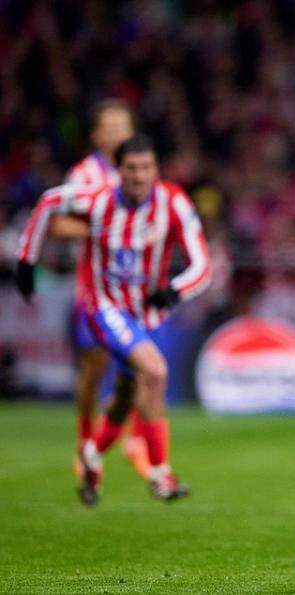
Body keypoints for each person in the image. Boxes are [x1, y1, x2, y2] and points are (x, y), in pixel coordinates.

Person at [16, 134, 211, 505]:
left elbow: (202, 266)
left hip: (145, 314)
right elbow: (48, 202)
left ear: (156, 169)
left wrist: (175, 290)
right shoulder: (98, 199)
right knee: (155, 371)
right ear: (118, 170)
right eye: (131, 168)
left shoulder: (173, 202)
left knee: (125, 398)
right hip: (103, 307)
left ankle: (91, 453)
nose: (139, 176)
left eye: (146, 168)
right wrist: (26, 261)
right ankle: (160, 474)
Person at [55, 99, 153, 481]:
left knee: (143, 365)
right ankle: (85, 441)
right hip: (95, 289)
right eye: (109, 127)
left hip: (137, 286)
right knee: (94, 367)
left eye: (122, 126)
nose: (116, 134)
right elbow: (61, 224)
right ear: (96, 135)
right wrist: (103, 227)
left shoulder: (142, 171)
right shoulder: (84, 175)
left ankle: (136, 441)